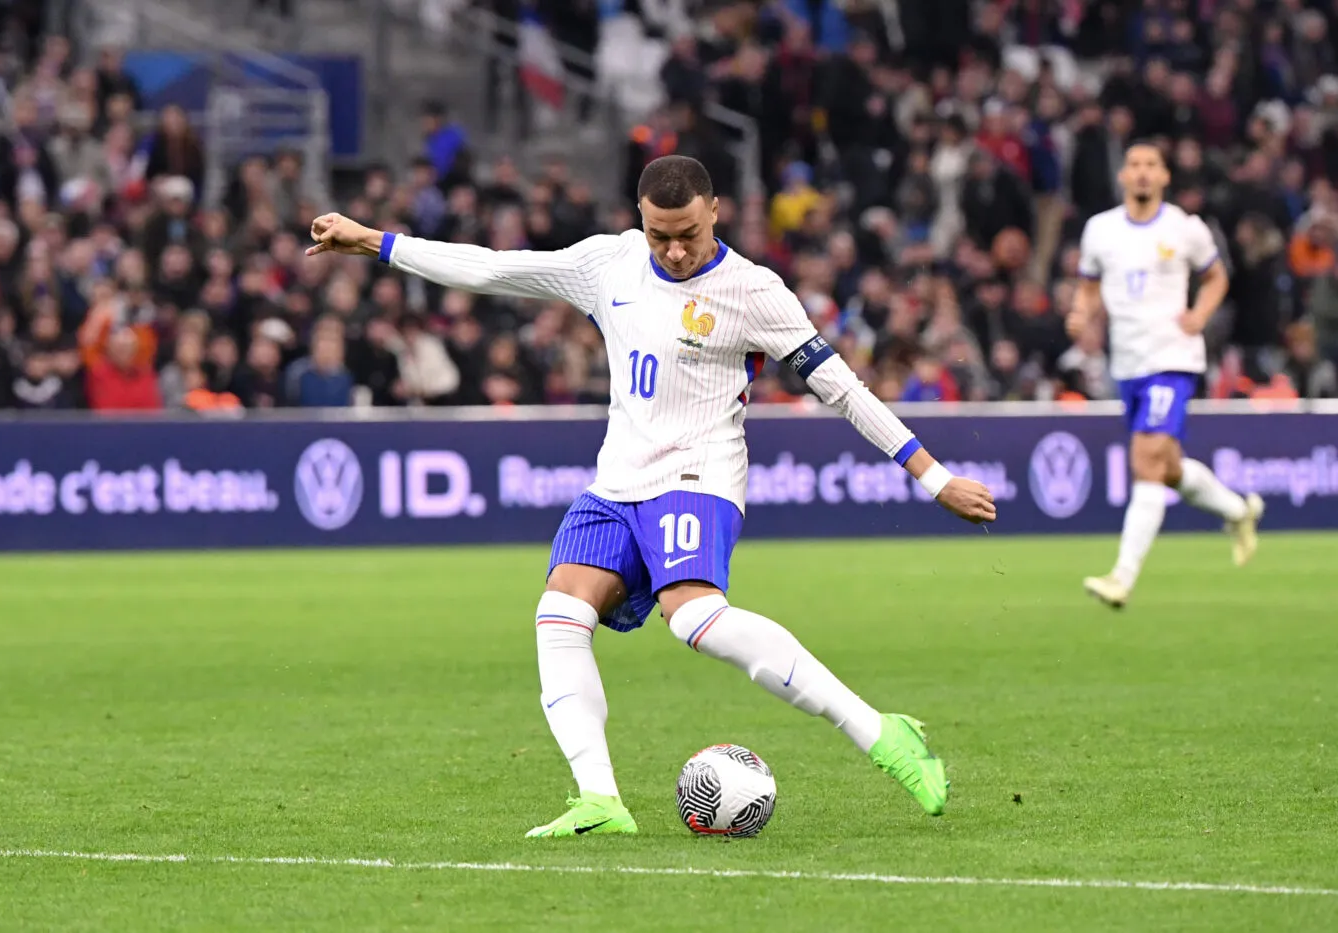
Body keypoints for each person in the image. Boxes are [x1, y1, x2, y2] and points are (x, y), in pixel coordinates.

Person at [305, 155, 997, 837]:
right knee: (558, 613)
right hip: (616, 482)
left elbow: (842, 387)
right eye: (660, 233)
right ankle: (600, 800)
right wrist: (372, 240)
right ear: (640, 218)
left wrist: (934, 477)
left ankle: (882, 732)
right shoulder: (609, 262)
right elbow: (492, 267)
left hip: (697, 476)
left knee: (694, 619)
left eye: (688, 233)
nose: (673, 249)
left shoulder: (755, 291)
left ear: (715, 211)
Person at [1069, 141, 1265, 610]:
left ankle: (1122, 577)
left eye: (1150, 166)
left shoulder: (1185, 229)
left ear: (1164, 177)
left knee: (1146, 458)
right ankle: (1240, 512)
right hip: (1128, 365)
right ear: (1123, 176)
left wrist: (1199, 314)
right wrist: (1080, 314)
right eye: (1133, 165)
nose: (1141, 173)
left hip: (1173, 359)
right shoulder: (1100, 231)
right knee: (1168, 466)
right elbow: (1088, 286)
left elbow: (1217, 276)